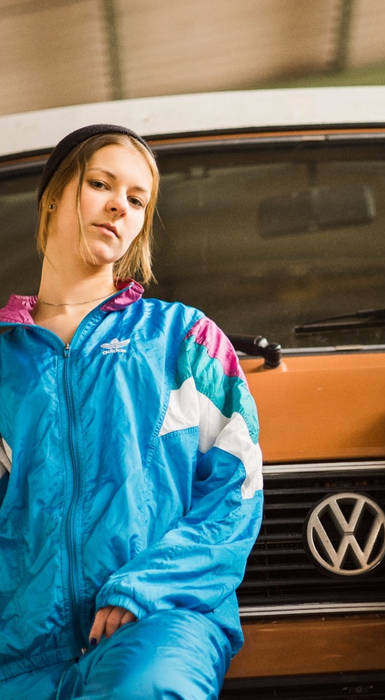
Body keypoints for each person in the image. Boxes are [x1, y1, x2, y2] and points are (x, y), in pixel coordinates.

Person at [0, 125, 263, 698]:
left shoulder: (183, 338)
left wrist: (146, 587)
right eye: (101, 184)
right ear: (52, 198)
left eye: (137, 199)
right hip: (16, 652)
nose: (120, 205)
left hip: (158, 623)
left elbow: (236, 491)